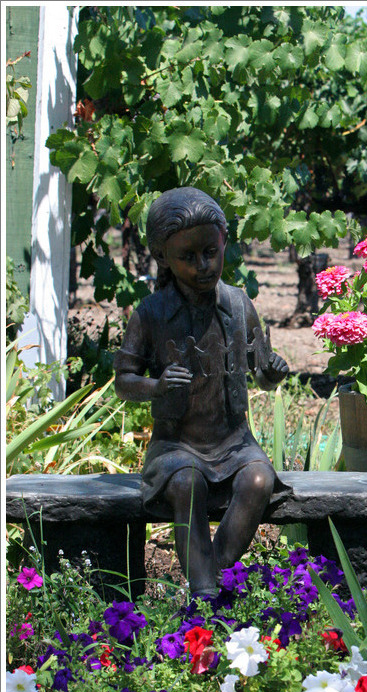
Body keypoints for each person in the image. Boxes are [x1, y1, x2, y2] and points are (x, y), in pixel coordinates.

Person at [114, 187, 290, 598]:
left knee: (261, 480)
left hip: (234, 444)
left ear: (224, 242)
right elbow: (124, 380)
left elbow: (261, 377)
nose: (203, 265)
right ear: (162, 258)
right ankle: (207, 596)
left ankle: (206, 578)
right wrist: (156, 387)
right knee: (188, 483)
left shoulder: (239, 305)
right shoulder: (151, 314)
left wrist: (272, 373)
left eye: (211, 252)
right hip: (176, 446)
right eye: (188, 258)